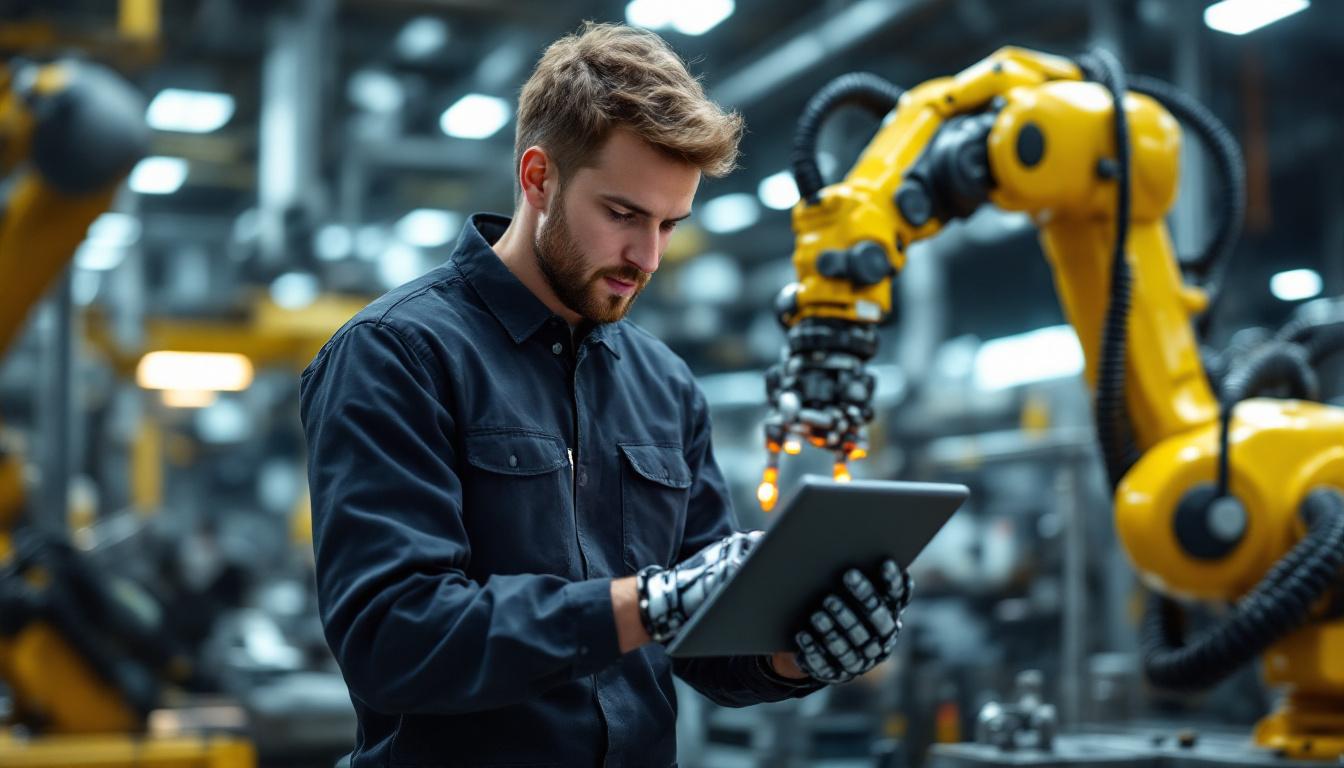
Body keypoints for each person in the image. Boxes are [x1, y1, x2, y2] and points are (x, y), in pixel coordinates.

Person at [300, 21, 913, 767]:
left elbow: (703, 639)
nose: (647, 257)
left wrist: (797, 653)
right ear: (538, 178)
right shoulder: (398, 354)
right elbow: (393, 638)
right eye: (623, 215)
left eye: (669, 224)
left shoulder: (665, 386)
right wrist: (647, 603)